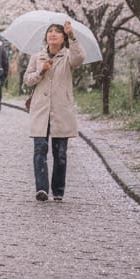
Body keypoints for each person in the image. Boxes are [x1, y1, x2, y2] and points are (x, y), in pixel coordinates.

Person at [23, 20, 86, 202]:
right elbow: (27, 80)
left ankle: (58, 190)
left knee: (60, 153)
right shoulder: (37, 57)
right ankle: (41, 188)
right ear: (46, 37)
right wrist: (41, 71)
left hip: (61, 109)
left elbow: (80, 58)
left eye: (57, 32)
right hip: (41, 109)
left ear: (63, 37)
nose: (52, 34)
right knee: (40, 149)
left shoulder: (68, 56)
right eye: (50, 31)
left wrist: (72, 36)